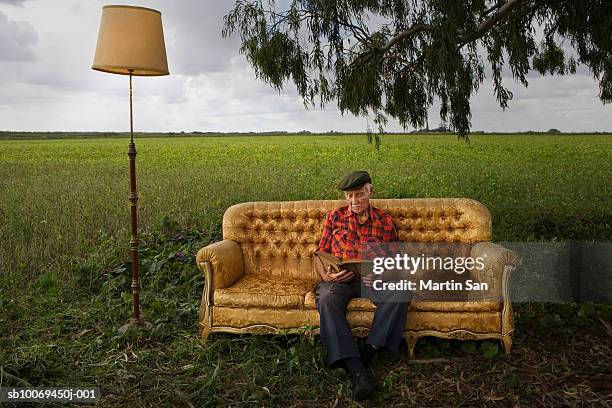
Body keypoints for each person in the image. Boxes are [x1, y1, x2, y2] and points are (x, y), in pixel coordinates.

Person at [315, 170, 411, 401]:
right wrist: (326, 276)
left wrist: (381, 274)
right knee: (327, 298)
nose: (354, 201)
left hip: (372, 281)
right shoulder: (334, 217)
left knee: (402, 290)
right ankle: (358, 367)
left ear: (370, 192)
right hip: (340, 280)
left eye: (359, 195)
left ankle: (362, 358)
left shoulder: (384, 221)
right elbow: (319, 254)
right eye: (349, 196)